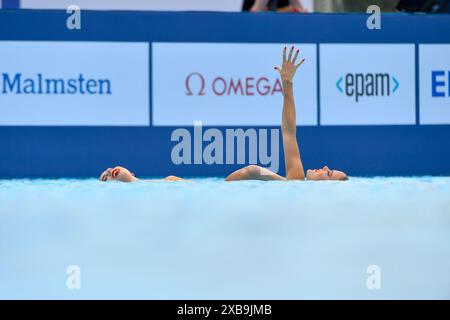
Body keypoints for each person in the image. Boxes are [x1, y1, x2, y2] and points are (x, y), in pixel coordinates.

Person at [99, 46, 348, 183]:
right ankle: (134, 183)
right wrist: (288, 86)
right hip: (222, 193)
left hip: (223, 198)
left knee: (174, 181)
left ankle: (134, 184)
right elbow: (289, 130)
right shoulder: (295, 179)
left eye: (328, 173)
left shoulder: (295, 185)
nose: (325, 166)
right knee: (174, 181)